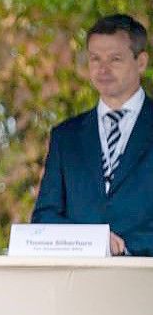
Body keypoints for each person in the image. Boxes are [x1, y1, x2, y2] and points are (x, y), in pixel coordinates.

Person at [32, 14, 153, 256]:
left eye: (115, 59)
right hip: (79, 286)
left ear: (141, 62)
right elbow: (44, 219)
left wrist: (126, 247)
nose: (102, 68)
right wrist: (93, 241)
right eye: (95, 59)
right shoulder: (65, 137)